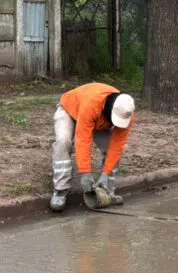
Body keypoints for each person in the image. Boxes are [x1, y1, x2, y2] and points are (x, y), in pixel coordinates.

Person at [50, 82, 135, 212]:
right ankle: (60, 190)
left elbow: (116, 146)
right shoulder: (92, 103)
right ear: (110, 110)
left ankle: (107, 190)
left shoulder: (126, 114)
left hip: (98, 120)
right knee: (63, 142)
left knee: (110, 149)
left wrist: (105, 174)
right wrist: (85, 173)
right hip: (69, 110)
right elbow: (83, 140)